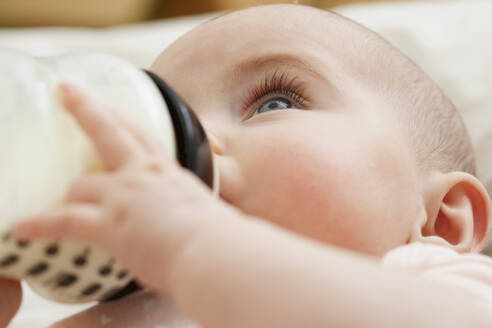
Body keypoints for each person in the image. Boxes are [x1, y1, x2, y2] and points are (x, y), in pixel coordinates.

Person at [2, 4, 492, 327]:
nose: (189, 146)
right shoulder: (110, 310)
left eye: (274, 104)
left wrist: (194, 243)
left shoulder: (433, 286)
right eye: (169, 118)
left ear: (442, 220)